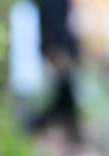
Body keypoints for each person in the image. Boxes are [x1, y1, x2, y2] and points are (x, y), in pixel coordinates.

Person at [29, 0, 81, 143]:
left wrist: (60, 46)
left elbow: (60, 18)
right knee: (62, 89)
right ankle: (66, 129)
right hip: (58, 44)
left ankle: (67, 129)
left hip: (60, 44)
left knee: (63, 89)